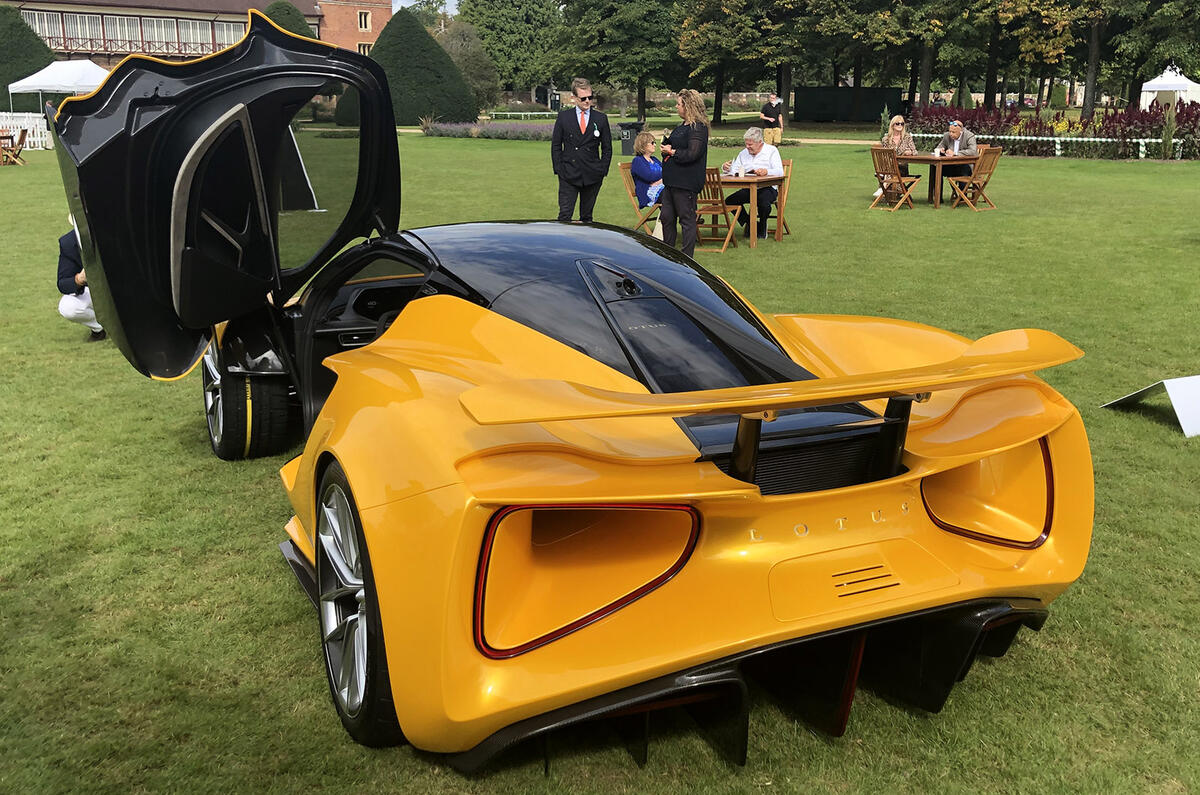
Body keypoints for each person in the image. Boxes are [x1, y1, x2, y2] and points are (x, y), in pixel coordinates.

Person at [550, 77, 612, 223]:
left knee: (587, 218)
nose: (587, 101)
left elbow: (607, 148)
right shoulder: (564, 117)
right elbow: (556, 145)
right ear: (574, 98)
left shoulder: (601, 119)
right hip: (569, 174)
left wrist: (602, 170)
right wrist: (559, 170)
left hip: (592, 174)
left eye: (590, 97)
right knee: (564, 216)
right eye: (583, 98)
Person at [659, 89, 710, 257]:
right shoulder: (681, 126)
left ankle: (687, 257)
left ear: (688, 106)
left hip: (686, 181)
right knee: (667, 217)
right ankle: (668, 253)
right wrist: (666, 148)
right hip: (671, 181)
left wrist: (672, 152)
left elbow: (693, 153)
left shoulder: (698, 128)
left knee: (686, 219)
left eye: (679, 104)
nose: (676, 107)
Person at [721, 127, 784, 238]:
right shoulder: (743, 153)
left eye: (750, 145)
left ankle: (763, 226)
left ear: (760, 142)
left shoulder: (771, 151)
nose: (747, 147)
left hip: (768, 187)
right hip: (749, 187)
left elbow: (780, 171)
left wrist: (766, 171)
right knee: (730, 201)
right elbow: (735, 170)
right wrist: (726, 168)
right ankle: (751, 223)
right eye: (746, 144)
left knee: (763, 201)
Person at [57, 225, 105, 342]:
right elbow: (63, 283)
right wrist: (79, 279)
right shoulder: (69, 243)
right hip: (95, 291)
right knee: (67, 306)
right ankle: (99, 328)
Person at [629, 131, 664, 208]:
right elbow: (649, 176)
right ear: (643, 144)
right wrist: (663, 177)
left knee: (680, 192)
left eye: (654, 142)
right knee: (672, 195)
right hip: (649, 193)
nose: (655, 145)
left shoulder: (654, 159)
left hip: (662, 188)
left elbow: (667, 171)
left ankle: (670, 217)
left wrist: (660, 181)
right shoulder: (638, 161)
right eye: (652, 143)